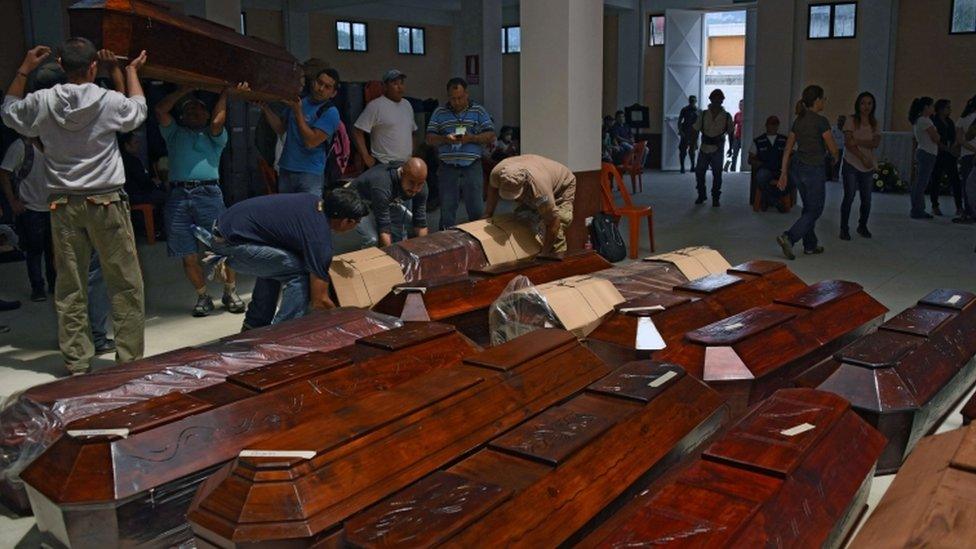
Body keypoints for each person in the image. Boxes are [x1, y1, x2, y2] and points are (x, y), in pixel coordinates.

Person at [2, 40, 148, 374]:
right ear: (93, 67)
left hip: (63, 204)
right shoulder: (108, 100)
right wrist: (128, 71)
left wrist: (24, 69)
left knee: (70, 286)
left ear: (60, 65)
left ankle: (77, 363)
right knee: (125, 284)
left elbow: (9, 112)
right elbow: (137, 112)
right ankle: (128, 361)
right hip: (107, 202)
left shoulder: (42, 102)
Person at [198, 189, 368, 328]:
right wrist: (347, 323)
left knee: (279, 267)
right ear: (346, 221)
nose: (357, 226)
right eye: (357, 222)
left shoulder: (313, 201)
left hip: (224, 231)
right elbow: (320, 300)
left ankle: (254, 325)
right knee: (300, 272)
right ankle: (284, 333)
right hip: (232, 246)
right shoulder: (319, 239)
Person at [155, 85, 246, 317]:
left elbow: (217, 122)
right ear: (182, 116)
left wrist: (224, 93)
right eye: (188, 109)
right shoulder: (174, 133)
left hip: (208, 194)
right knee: (187, 254)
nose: (194, 112)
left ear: (207, 114)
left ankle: (230, 291)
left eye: (199, 109)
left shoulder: (214, 136)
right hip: (178, 196)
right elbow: (161, 110)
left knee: (223, 247)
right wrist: (186, 89)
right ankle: (203, 296)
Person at [775, 85, 840, 260]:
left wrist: (783, 173)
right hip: (814, 169)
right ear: (817, 100)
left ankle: (810, 245)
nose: (825, 101)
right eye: (823, 98)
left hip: (797, 168)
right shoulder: (821, 121)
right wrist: (835, 157)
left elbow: (788, 148)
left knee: (808, 208)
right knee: (815, 210)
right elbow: (832, 147)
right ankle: (789, 237)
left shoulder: (799, 120)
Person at [257, 68, 341, 196]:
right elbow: (280, 128)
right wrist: (265, 108)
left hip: (310, 173)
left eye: (327, 87)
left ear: (333, 93)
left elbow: (311, 142)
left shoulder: (330, 112)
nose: (321, 88)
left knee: (308, 213)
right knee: (286, 211)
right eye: (319, 83)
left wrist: (298, 112)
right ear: (313, 82)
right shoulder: (301, 102)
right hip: (286, 168)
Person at [426, 77, 495, 229]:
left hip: (472, 166)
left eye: (460, 98)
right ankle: (445, 240)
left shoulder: (478, 111)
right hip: (447, 168)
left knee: (476, 208)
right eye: (453, 99)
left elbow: (490, 135)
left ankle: (477, 239)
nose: (456, 102)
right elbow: (429, 138)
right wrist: (445, 138)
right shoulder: (439, 112)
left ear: (467, 94)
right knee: (447, 209)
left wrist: (472, 138)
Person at [485, 154, 575, 255]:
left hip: (562, 186)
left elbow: (554, 222)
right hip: (538, 175)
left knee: (555, 227)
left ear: (524, 185)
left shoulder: (540, 190)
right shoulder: (497, 173)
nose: (515, 200)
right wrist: (488, 214)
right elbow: (492, 188)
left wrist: (545, 254)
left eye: (516, 195)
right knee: (521, 218)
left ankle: (558, 260)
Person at [354, 157, 429, 247]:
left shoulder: (421, 186)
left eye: (420, 184)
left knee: (411, 227)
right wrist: (388, 257)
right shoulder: (383, 184)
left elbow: (420, 222)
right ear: (401, 174)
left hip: (384, 203)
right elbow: (384, 228)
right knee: (372, 239)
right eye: (411, 182)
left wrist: (424, 250)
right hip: (358, 204)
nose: (415, 188)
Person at [353, 69, 416, 169]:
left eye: (402, 83)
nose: (400, 87)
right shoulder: (375, 106)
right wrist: (366, 157)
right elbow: (357, 131)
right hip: (384, 165)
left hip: (405, 164)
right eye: (395, 83)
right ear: (385, 86)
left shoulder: (407, 105)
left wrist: (411, 153)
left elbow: (412, 132)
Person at [839, 92, 882, 240]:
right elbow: (848, 143)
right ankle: (844, 228)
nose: (866, 106)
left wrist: (857, 141)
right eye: (863, 103)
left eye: (869, 103)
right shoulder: (851, 120)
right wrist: (862, 155)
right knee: (849, 196)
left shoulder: (874, 123)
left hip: (868, 164)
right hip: (852, 162)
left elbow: (875, 143)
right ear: (858, 104)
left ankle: (862, 225)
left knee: (867, 198)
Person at [693, 89, 734, 207]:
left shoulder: (727, 116)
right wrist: (694, 143)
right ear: (710, 99)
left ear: (722, 100)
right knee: (699, 171)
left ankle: (716, 197)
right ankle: (701, 194)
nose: (716, 101)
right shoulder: (704, 114)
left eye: (719, 98)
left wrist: (730, 148)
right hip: (705, 146)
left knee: (717, 174)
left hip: (718, 147)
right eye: (714, 98)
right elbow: (696, 129)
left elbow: (731, 132)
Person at [747, 115, 789, 212]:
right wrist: (759, 164)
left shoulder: (784, 140)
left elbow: (792, 155)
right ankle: (775, 201)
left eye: (775, 124)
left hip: (780, 170)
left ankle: (767, 199)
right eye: (771, 124)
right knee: (761, 177)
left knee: (793, 178)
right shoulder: (758, 140)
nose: (773, 126)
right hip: (765, 169)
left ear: (778, 126)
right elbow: (750, 159)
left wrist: (786, 167)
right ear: (766, 125)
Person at [909, 97, 939, 219]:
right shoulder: (924, 121)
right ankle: (917, 210)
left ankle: (918, 208)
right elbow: (935, 137)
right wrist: (938, 136)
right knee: (921, 183)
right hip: (927, 153)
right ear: (926, 107)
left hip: (925, 152)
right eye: (932, 106)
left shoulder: (921, 120)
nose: (933, 108)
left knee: (920, 182)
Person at [930, 99, 961, 217]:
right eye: (948, 107)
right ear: (941, 109)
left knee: (955, 180)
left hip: (949, 154)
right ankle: (934, 205)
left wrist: (953, 148)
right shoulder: (934, 121)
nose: (950, 110)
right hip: (938, 154)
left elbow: (953, 137)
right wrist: (944, 147)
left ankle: (959, 206)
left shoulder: (950, 122)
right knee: (936, 179)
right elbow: (934, 138)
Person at [957, 94, 976, 223]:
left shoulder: (962, 119)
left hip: (966, 154)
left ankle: (968, 211)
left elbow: (960, 140)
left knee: (967, 185)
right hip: (971, 154)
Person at [677, 95, 699, 174]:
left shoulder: (699, 110)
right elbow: (679, 121)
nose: (692, 101)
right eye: (691, 100)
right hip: (685, 132)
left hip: (694, 133)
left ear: (696, 101)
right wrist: (680, 131)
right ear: (689, 101)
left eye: (694, 100)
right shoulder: (684, 110)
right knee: (683, 150)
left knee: (692, 151)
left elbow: (701, 123)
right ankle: (682, 167)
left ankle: (692, 166)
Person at [726, 99, 744, 172]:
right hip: (737, 137)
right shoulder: (737, 114)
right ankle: (733, 169)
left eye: (742, 105)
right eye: (739, 105)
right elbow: (733, 125)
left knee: (744, 154)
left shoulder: (747, 115)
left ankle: (742, 169)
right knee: (734, 155)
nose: (740, 106)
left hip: (744, 138)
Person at [829, 115, 847, 181]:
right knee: (833, 162)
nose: (841, 122)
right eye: (840, 121)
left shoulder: (846, 130)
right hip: (833, 148)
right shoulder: (833, 129)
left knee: (840, 163)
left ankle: (837, 176)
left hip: (842, 149)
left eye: (842, 121)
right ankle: (831, 176)